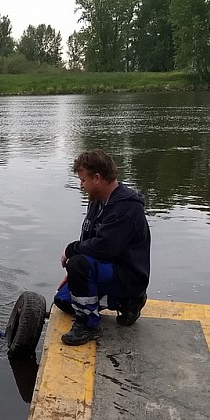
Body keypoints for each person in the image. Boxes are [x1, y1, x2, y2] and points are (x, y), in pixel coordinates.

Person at [55, 148, 151, 346]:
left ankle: (89, 325)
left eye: (83, 180)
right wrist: (75, 275)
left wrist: (73, 254)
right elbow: (88, 239)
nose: (82, 186)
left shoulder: (126, 207)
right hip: (107, 268)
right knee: (63, 300)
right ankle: (125, 303)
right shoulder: (97, 202)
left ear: (97, 178)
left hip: (127, 274)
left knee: (79, 265)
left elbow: (104, 247)